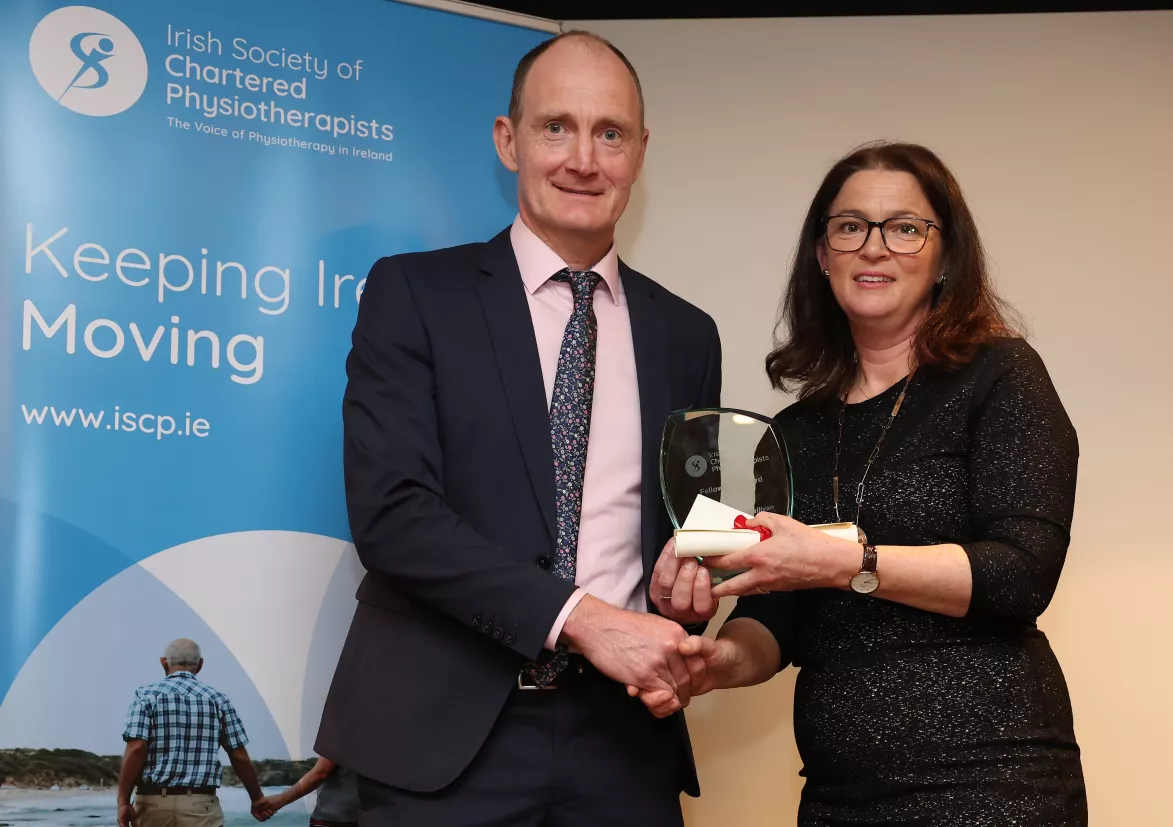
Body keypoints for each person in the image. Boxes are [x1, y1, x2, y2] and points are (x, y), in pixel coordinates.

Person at [315, 30, 722, 827]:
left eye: (610, 133)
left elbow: (690, 532)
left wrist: (693, 590)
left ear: (640, 153)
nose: (583, 159)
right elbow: (392, 515)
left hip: (624, 747)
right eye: (555, 127)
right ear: (509, 141)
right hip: (438, 746)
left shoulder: (687, 333)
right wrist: (586, 620)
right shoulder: (414, 294)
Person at [642, 142, 1087, 825]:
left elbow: (1023, 574)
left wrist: (846, 560)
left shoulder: (1002, 375)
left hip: (993, 783)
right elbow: (779, 616)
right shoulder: (794, 430)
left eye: (905, 227)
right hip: (839, 796)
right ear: (823, 256)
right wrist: (718, 662)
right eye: (850, 226)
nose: (874, 247)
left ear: (945, 256)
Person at [117, 639, 271, 827]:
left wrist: (123, 801)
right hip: (201, 806)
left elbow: (136, 747)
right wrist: (256, 798)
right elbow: (238, 754)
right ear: (200, 664)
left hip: (152, 804)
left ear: (163, 662)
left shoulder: (146, 695)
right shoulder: (218, 699)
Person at [255, 757, 357, 827]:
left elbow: (322, 771)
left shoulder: (339, 725)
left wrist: (280, 800)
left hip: (336, 817)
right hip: (364, 814)